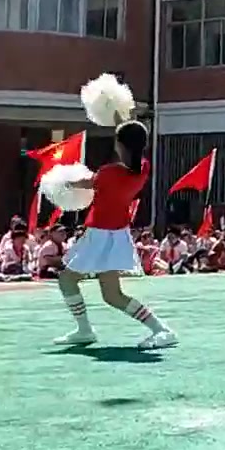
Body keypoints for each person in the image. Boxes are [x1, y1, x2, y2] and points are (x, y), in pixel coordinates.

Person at [52, 120, 177, 349]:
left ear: (120, 144)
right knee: (112, 295)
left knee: (67, 280)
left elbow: (86, 182)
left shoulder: (109, 173)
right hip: (117, 234)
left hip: (100, 234)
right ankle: (161, 329)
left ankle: (85, 330)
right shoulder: (143, 169)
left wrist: (59, 183)